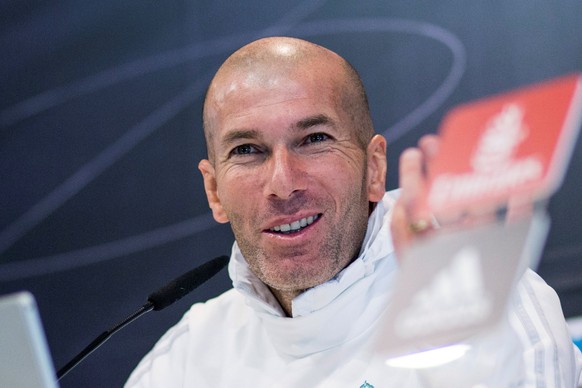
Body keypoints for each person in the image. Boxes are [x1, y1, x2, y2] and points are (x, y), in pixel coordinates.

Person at [125, 37, 581, 387]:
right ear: (214, 190)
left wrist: (481, 354)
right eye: (248, 150)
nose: (283, 183)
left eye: (314, 139)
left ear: (374, 168)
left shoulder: (482, 299)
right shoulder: (185, 358)